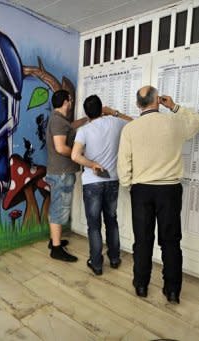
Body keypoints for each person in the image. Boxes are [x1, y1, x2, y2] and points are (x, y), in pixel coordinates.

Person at [117, 85, 199, 304]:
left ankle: (141, 285)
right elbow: (198, 122)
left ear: (138, 105)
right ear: (158, 100)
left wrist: (129, 185)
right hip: (170, 190)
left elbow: (123, 164)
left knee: (143, 241)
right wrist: (174, 106)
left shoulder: (130, 129)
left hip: (142, 190)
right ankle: (172, 290)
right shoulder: (174, 123)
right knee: (171, 242)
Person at [71, 95, 132, 275]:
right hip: (112, 181)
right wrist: (114, 112)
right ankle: (114, 258)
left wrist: (91, 164)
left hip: (92, 183)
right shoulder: (116, 123)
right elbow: (134, 122)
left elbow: (75, 156)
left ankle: (96, 264)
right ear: (101, 109)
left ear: (86, 113)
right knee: (112, 220)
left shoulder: (84, 130)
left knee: (94, 225)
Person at [45, 89, 87, 262]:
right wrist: (78, 154)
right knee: (59, 208)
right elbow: (61, 147)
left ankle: (54, 241)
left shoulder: (60, 120)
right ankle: (56, 249)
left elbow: (70, 127)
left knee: (57, 205)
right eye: (70, 100)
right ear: (65, 102)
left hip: (59, 172)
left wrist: (85, 120)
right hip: (62, 172)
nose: (71, 103)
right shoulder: (58, 122)